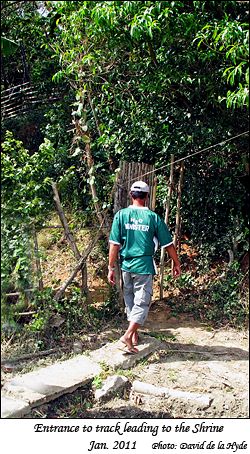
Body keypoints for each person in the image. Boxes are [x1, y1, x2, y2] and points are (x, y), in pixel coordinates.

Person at [108, 180, 181, 353]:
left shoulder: (121, 215)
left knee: (131, 301)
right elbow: (168, 244)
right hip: (144, 267)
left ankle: (134, 335)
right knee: (142, 303)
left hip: (126, 266)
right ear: (147, 197)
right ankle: (128, 335)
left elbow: (114, 245)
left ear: (131, 195)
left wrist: (111, 267)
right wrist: (176, 262)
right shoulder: (153, 218)